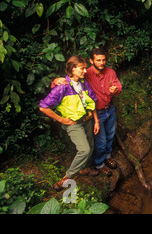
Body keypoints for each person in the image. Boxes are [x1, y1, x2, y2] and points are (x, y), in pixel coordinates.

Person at [52, 48, 122, 176]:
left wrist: (115, 89)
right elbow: (70, 80)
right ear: (91, 60)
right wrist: (56, 80)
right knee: (100, 141)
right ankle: (99, 163)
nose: (102, 62)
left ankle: (108, 156)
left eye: (104, 60)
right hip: (97, 112)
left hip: (109, 109)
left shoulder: (110, 72)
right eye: (98, 60)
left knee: (110, 135)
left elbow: (118, 85)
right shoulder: (85, 73)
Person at [39, 56, 100, 191]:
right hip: (73, 123)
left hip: (87, 120)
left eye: (85, 68)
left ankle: (83, 169)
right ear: (73, 69)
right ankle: (66, 178)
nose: (85, 71)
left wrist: (95, 120)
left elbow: (92, 100)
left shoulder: (84, 83)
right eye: (82, 68)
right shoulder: (62, 87)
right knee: (85, 149)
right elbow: (43, 107)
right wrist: (61, 119)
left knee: (90, 145)